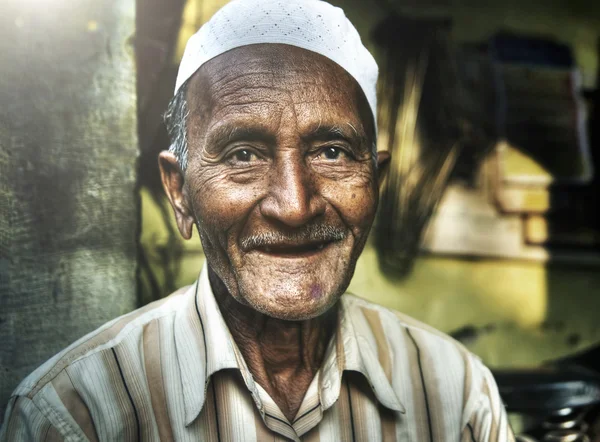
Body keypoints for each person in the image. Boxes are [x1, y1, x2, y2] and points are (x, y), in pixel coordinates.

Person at [0, 0, 515, 440]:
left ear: (374, 182)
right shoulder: (72, 415)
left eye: (332, 152)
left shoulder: (458, 395)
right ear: (179, 192)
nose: (294, 206)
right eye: (243, 155)